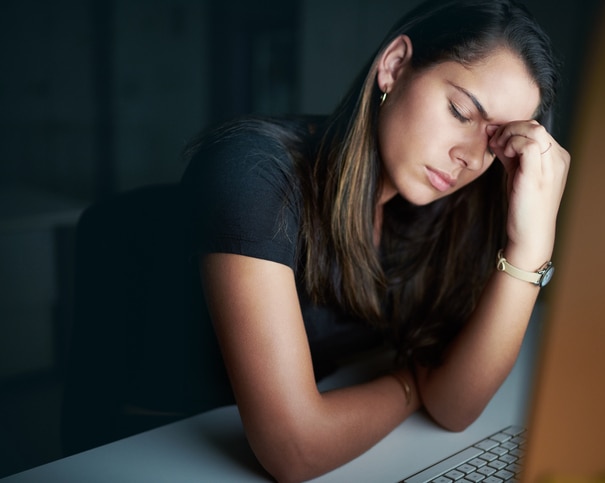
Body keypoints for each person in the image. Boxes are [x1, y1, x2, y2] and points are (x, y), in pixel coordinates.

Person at [181, 0, 570, 481]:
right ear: (394, 66)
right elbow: (295, 449)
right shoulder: (254, 172)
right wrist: (408, 385)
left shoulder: (445, 206)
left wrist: (531, 248)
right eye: (460, 111)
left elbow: (453, 407)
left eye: (494, 141)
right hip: (165, 451)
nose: (468, 157)